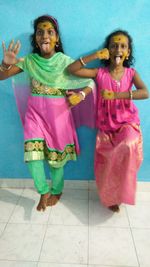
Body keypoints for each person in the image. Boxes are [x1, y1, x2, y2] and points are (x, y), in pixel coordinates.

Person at [0, 15, 95, 211]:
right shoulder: (29, 61)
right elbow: (2, 76)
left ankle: (57, 189)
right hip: (34, 116)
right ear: (35, 38)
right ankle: (43, 191)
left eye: (50, 32)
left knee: (56, 158)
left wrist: (82, 96)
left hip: (59, 117)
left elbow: (91, 81)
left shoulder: (65, 62)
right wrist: (6, 64)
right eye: (40, 32)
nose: (45, 35)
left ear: (57, 38)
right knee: (32, 155)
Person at [67, 29, 149, 212]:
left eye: (123, 46)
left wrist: (117, 95)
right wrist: (95, 55)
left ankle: (123, 193)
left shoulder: (131, 73)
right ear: (107, 50)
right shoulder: (99, 73)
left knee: (128, 145)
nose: (118, 49)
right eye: (114, 45)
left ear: (128, 52)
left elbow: (145, 92)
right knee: (109, 162)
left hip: (127, 123)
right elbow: (72, 70)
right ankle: (111, 197)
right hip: (106, 127)